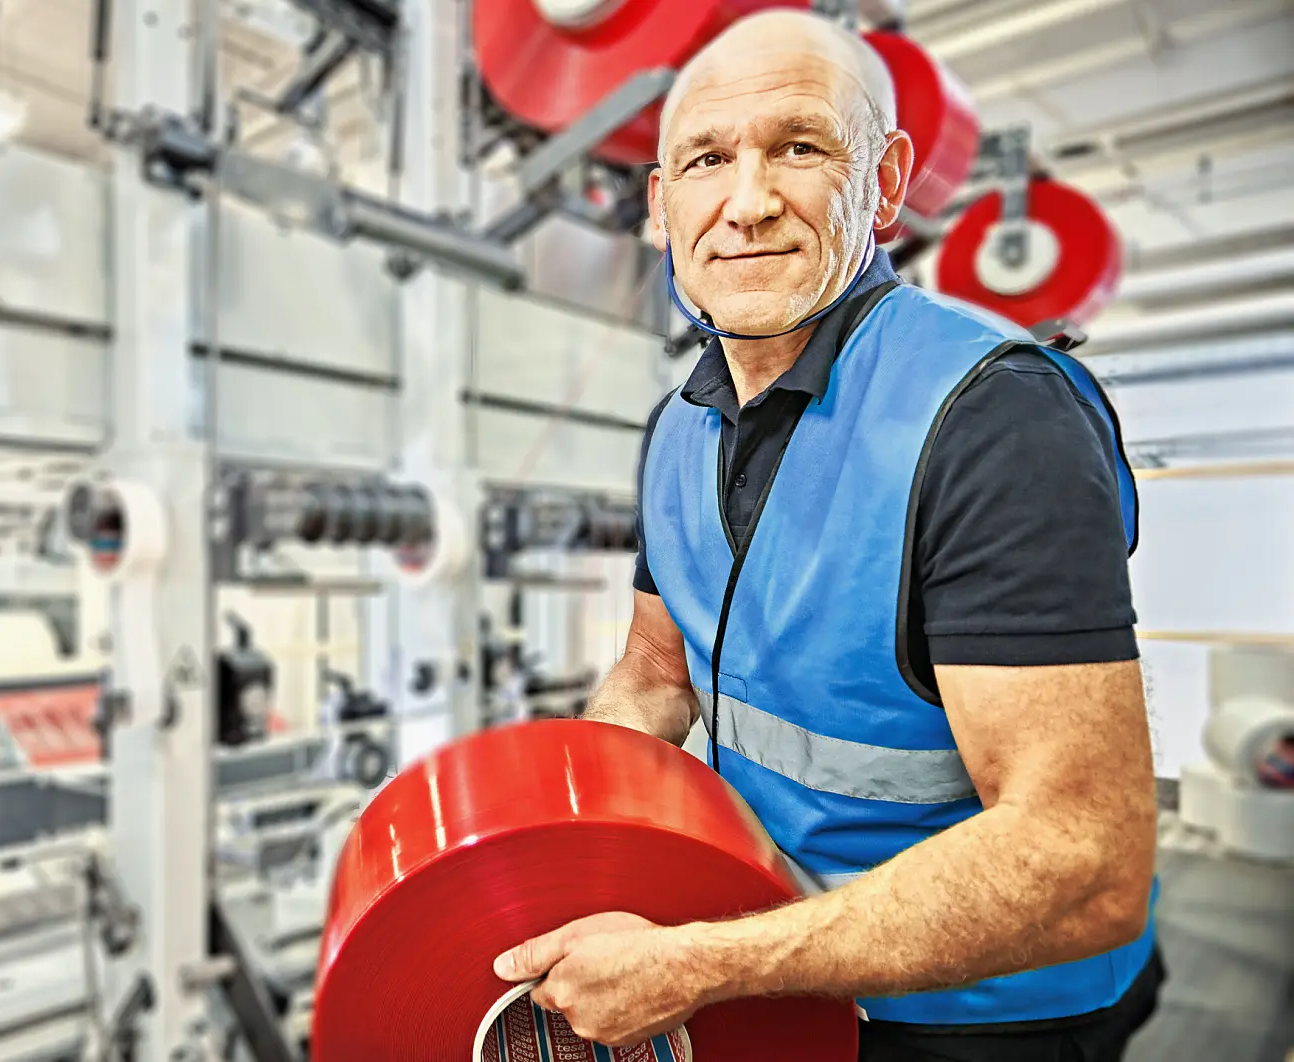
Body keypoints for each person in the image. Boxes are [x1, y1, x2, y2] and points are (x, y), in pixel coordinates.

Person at [491, 11, 1164, 1062]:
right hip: (785, 966)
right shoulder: (679, 429)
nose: (748, 203)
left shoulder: (992, 417)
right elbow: (653, 673)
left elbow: (1080, 860)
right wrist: (579, 869)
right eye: (708, 159)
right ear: (662, 208)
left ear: (886, 185)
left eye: (799, 147)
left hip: (989, 1014)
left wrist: (698, 963)